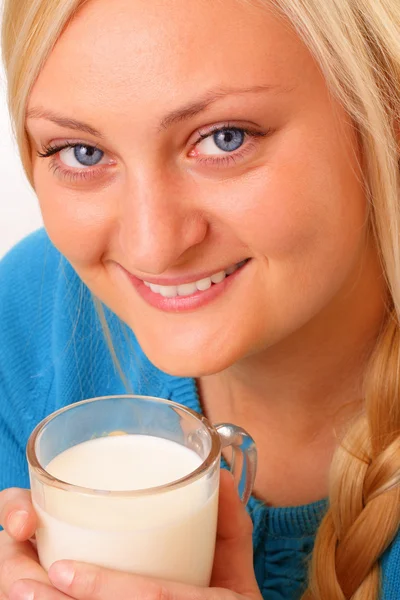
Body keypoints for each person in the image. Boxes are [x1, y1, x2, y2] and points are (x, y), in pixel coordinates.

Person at [1, 0, 400, 598]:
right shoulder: (33, 311)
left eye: (224, 138)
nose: (152, 247)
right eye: (82, 153)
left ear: (386, 111)